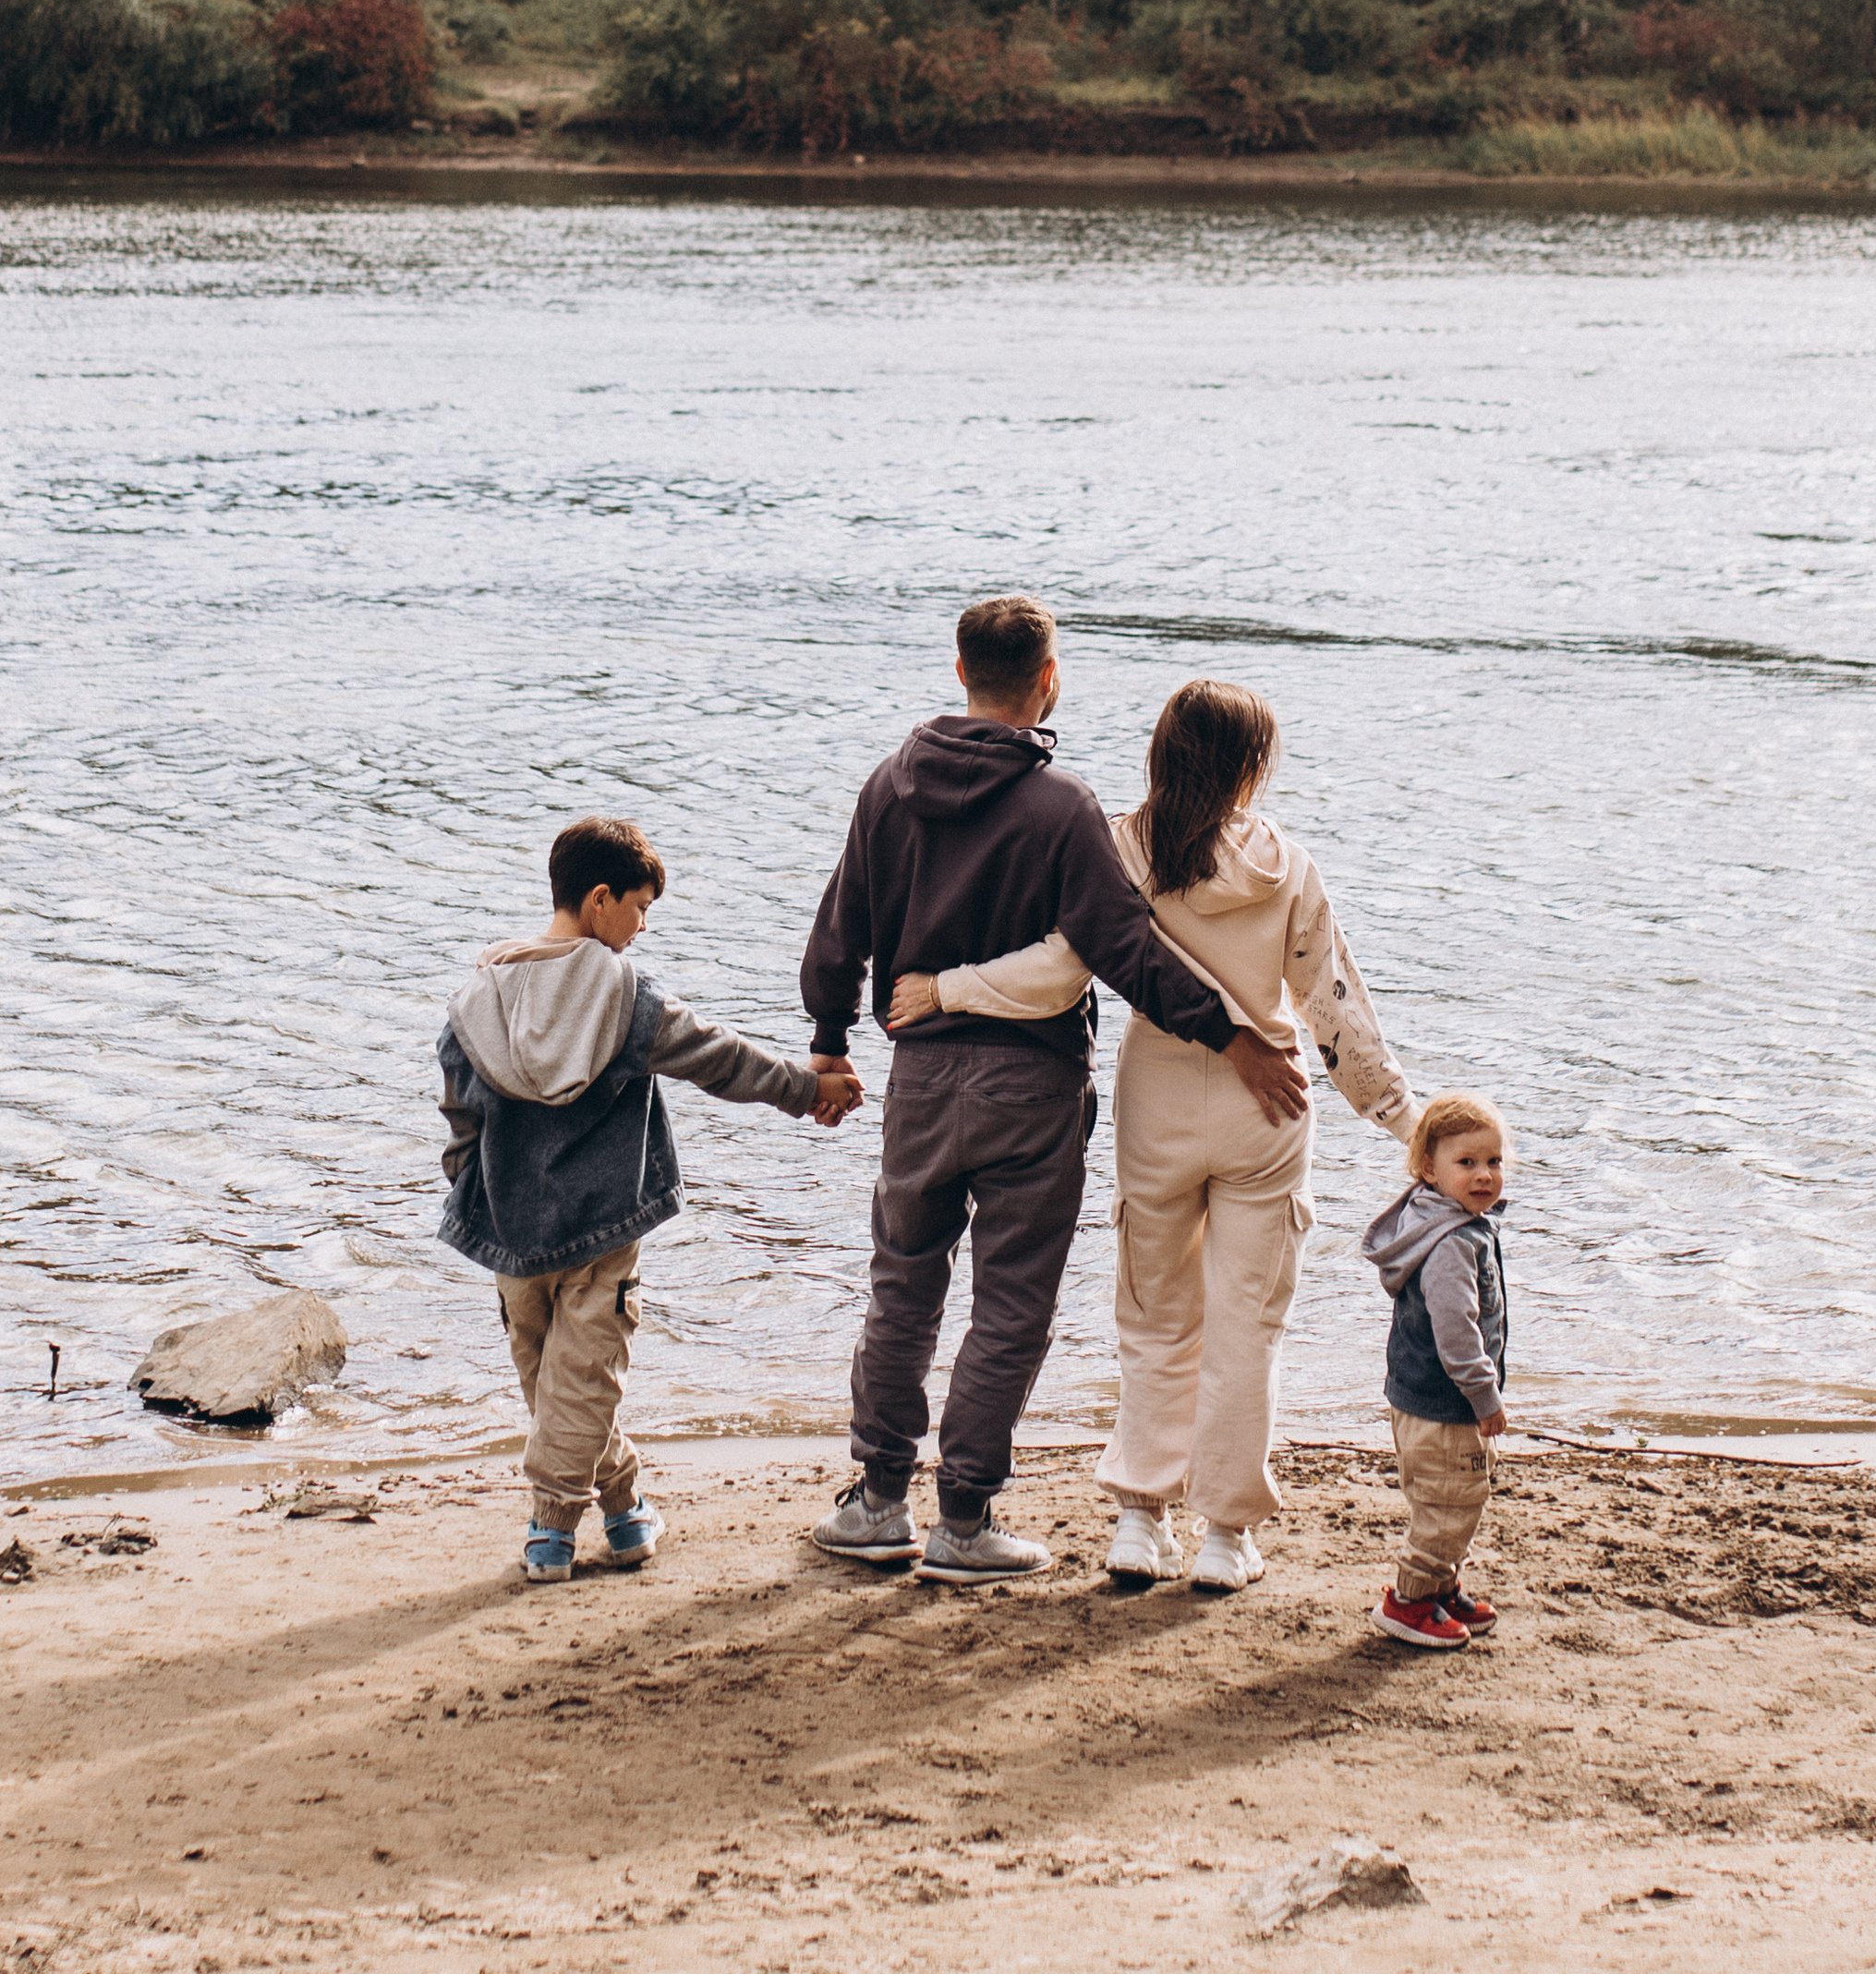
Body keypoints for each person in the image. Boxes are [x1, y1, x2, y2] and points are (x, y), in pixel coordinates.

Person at [802, 597, 1309, 1587]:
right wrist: (1232, 1033)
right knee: (1011, 1300)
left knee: (904, 1278)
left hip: (919, 1071)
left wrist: (828, 1044)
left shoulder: (886, 787)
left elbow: (840, 924)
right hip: (1030, 1084)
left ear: (958, 669)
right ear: (1048, 678)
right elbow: (1121, 950)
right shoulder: (1060, 805)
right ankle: (963, 1517)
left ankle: (874, 1499)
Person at [897, 676, 1416, 1596]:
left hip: (1158, 1101)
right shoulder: (1286, 863)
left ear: (1163, 753)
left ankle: (1140, 1518)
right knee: (1246, 1326)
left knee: (1153, 1317)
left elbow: (1057, 973)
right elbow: (1333, 1010)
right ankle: (1224, 1535)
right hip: (1271, 1106)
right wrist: (1402, 1119)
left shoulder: (1121, 845)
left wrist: (949, 986)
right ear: (1252, 765)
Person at [439, 811, 858, 1586]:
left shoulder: (480, 996)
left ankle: (624, 1511)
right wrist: (807, 1090)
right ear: (600, 899)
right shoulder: (621, 997)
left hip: (511, 1228)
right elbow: (718, 1057)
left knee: (553, 1377)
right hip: (603, 1224)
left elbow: (459, 1112)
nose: (639, 927)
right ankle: (553, 1529)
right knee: (581, 1376)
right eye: (638, 908)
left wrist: (474, 1185)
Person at [1361, 1094, 1509, 1649]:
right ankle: (1409, 1601)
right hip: (1447, 1402)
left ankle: (1441, 1586)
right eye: (1466, 1163)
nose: (1483, 1175)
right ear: (1429, 1169)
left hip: (1421, 1395)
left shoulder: (1441, 1222)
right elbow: (1456, 1330)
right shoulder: (1449, 1243)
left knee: (1451, 1495)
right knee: (1451, 1499)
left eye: (1493, 1162)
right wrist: (1484, 1396)